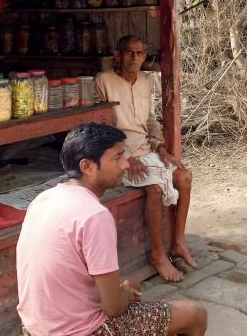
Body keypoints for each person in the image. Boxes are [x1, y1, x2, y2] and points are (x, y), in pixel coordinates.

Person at [16, 123, 207, 336]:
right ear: (87, 167)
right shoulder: (94, 215)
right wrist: (126, 292)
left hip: (34, 328)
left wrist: (123, 286)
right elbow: (113, 308)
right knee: (194, 314)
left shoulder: (43, 199)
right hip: (85, 332)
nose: (125, 164)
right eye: (117, 157)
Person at [95, 36, 196, 283]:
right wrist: (125, 157)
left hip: (145, 148)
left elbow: (150, 119)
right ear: (117, 55)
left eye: (140, 53)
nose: (135, 58)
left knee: (184, 175)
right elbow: (101, 126)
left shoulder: (147, 81)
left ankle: (178, 242)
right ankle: (158, 255)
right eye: (129, 53)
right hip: (116, 155)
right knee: (152, 188)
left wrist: (161, 147)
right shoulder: (103, 80)